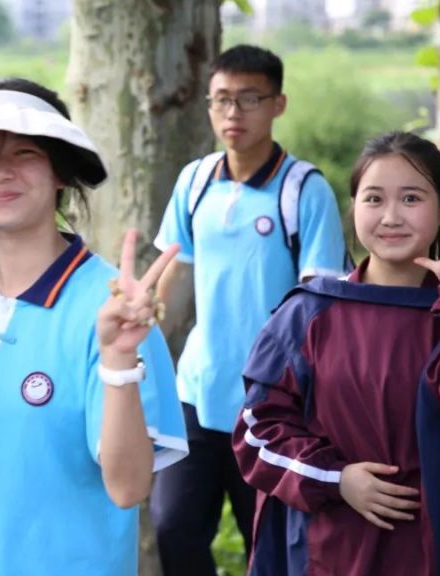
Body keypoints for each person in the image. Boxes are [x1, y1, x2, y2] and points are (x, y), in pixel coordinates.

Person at [0, 78, 188, 575]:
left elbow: (129, 486)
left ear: (61, 174)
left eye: (25, 152)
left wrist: (118, 361)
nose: (0, 171)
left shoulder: (114, 306)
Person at [233, 131, 440, 575]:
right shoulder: (307, 315)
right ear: (354, 206)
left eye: (411, 199)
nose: (391, 216)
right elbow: (257, 431)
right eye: (374, 199)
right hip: (334, 552)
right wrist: (336, 478)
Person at [149, 44, 350, 573]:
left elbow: (320, 303)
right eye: (221, 100)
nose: (233, 113)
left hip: (269, 402)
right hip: (196, 390)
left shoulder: (303, 189)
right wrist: (147, 321)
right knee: (173, 528)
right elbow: (175, 269)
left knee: (269, 544)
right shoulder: (194, 181)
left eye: (248, 99)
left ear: (278, 104)